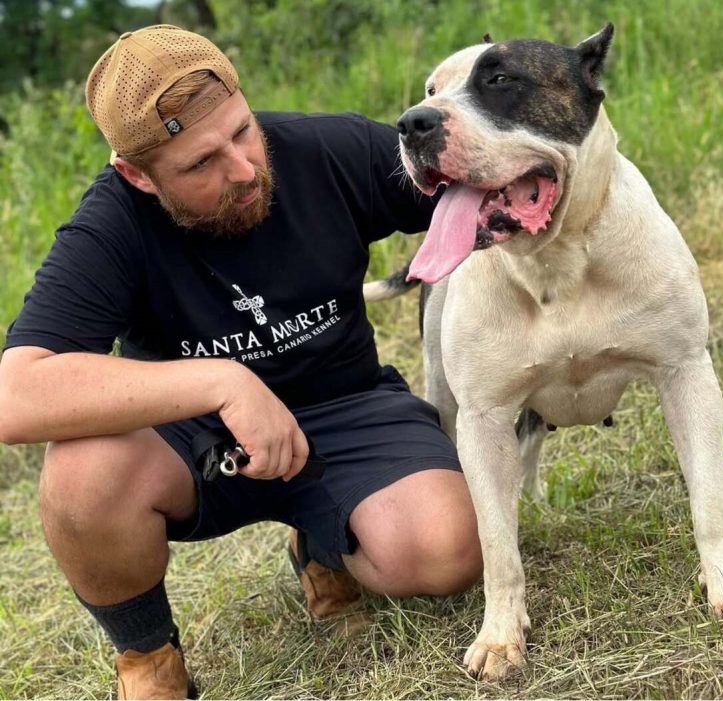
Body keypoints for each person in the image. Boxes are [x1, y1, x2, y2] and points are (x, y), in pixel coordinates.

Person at [0, 25, 481, 699]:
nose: (244, 168)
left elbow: (473, 178)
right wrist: (222, 382)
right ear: (137, 174)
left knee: (447, 550)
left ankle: (322, 540)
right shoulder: (110, 224)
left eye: (242, 131)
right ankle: (148, 659)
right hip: (193, 436)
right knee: (81, 474)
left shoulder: (323, 150)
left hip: (346, 408)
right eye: (200, 164)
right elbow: (15, 393)